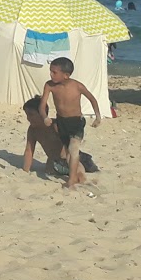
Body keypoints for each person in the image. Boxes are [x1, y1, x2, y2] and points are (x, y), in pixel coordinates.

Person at [36, 57, 102, 188]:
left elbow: (92, 99)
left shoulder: (77, 86)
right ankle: (81, 171)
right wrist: (45, 117)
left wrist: (98, 117)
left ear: (66, 75)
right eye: (50, 71)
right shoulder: (49, 85)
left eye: (54, 72)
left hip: (76, 122)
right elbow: (42, 105)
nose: (51, 74)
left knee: (73, 148)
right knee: (67, 154)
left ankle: (71, 179)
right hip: (62, 122)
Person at [22, 95, 98, 176]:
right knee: (49, 169)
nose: (28, 118)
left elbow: (71, 143)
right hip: (57, 161)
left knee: (82, 166)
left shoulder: (54, 125)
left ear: (42, 113)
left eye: (31, 115)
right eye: (27, 115)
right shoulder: (33, 130)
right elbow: (29, 151)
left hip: (72, 157)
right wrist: (25, 170)